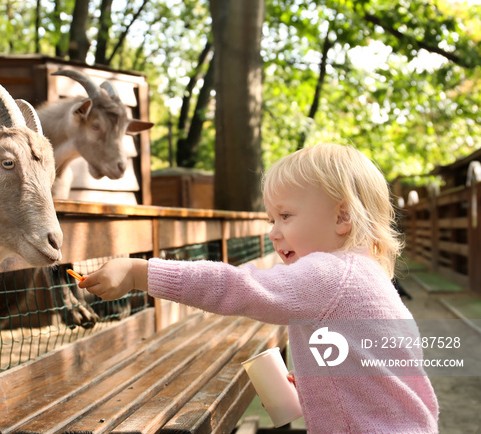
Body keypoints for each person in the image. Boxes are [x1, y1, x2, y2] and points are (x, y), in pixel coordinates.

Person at [79, 144, 438, 433]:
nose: (273, 231)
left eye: (286, 216)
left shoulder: (331, 273)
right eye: (271, 219)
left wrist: (142, 272)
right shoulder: (366, 274)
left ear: (341, 218)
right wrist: (318, 386)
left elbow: (238, 286)